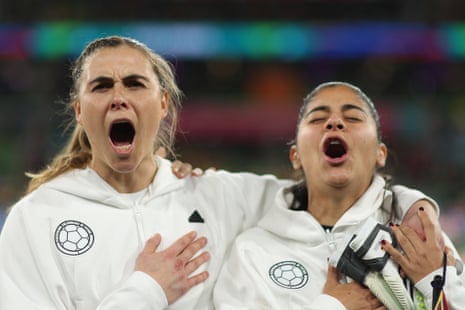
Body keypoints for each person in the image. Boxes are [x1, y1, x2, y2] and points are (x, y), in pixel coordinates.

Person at [0, 35, 289, 310]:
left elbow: (323, 203)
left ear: (163, 103)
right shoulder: (36, 218)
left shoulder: (220, 197)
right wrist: (147, 289)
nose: (118, 97)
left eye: (134, 84)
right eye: (101, 86)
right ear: (78, 110)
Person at [213, 81, 465, 309]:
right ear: (296, 156)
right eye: (316, 119)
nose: (334, 123)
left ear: (380, 153)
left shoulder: (418, 239)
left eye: (353, 118)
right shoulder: (252, 253)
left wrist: (436, 284)